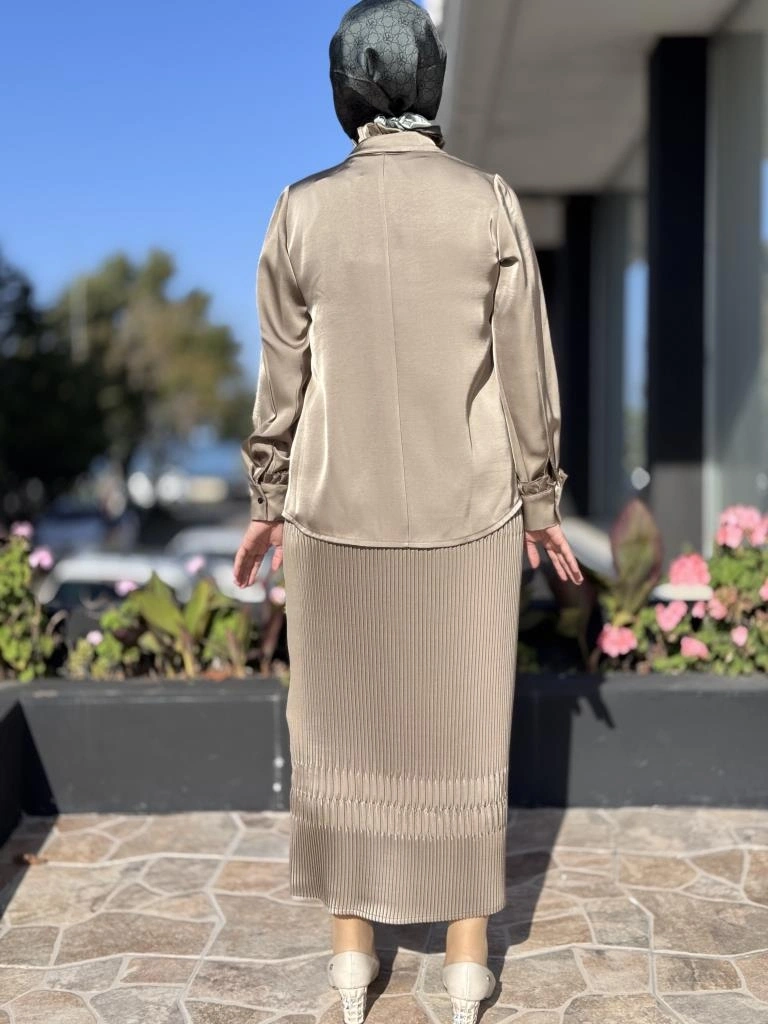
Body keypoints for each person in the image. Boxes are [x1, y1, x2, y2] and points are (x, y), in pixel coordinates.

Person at [234, 1, 583, 1021]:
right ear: (429, 81)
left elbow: (283, 377)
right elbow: (526, 370)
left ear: (344, 89)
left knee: (339, 732)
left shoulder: (300, 209)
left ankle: (352, 956)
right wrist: (542, 501)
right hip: (468, 512)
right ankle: (468, 959)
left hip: (332, 513)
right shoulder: (488, 202)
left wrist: (267, 497)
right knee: (464, 733)